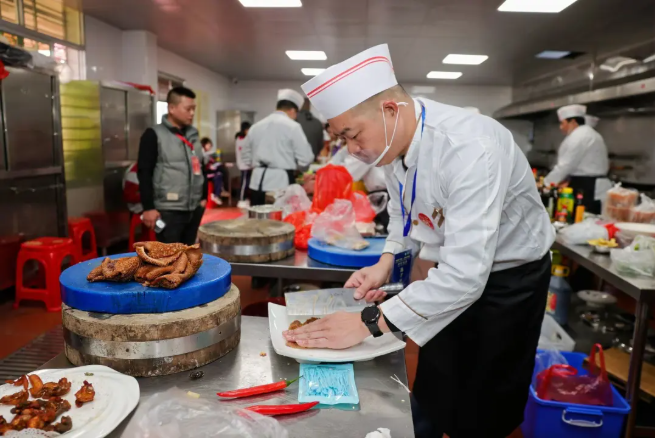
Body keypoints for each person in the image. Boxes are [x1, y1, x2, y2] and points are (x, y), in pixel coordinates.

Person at [284, 44, 555, 438]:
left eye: (352, 135)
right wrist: (385, 262)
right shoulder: (395, 145)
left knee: (486, 397)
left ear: (390, 110)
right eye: (341, 138)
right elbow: (403, 214)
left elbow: (466, 276)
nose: (352, 150)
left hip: (510, 281)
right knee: (438, 378)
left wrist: (367, 322)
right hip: (451, 271)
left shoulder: (470, 148)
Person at [137, 86, 207, 245]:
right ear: (172, 108)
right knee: (170, 256)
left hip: (194, 207)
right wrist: (148, 207)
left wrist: (203, 198)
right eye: (188, 109)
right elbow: (144, 172)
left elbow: (201, 166)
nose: (192, 113)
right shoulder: (154, 135)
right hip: (169, 210)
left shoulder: (193, 135)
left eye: (194, 109)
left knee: (188, 254)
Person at [242, 89, 314, 206]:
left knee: (257, 216)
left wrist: (257, 166)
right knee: (280, 217)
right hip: (281, 183)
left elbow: (245, 156)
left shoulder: (256, 126)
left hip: (256, 182)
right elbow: (306, 158)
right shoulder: (293, 127)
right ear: (292, 110)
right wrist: (298, 168)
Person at [544, 104, 611, 214]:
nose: (561, 127)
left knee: (583, 216)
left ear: (573, 122)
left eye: (562, 123)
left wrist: (546, 184)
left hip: (588, 187)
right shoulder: (584, 134)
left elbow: (566, 165)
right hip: (585, 184)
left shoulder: (580, 136)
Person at [201, 137, 230, 205]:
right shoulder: (201, 153)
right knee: (222, 169)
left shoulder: (210, 154)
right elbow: (203, 165)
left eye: (210, 145)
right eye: (209, 145)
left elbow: (214, 162)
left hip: (211, 172)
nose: (210, 147)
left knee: (219, 174)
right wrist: (209, 166)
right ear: (204, 144)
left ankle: (216, 194)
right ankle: (222, 190)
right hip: (205, 173)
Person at [235, 121, 252, 208]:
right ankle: (241, 200)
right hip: (244, 165)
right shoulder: (241, 140)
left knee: (247, 183)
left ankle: (245, 199)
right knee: (244, 184)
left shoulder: (242, 139)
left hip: (248, 165)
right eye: (248, 129)